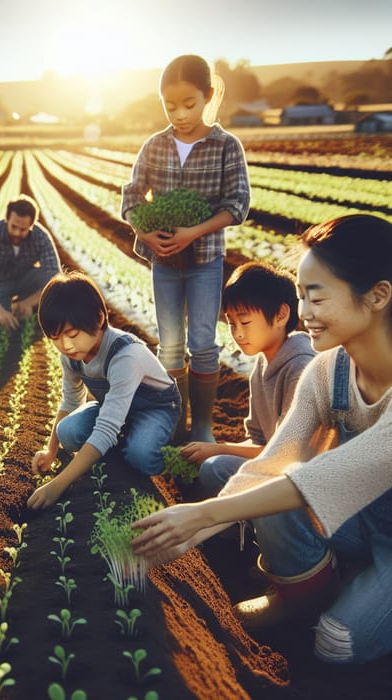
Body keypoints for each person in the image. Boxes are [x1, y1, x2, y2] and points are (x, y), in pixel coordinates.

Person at [131, 214, 392, 664]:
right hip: (357, 520)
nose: (304, 313)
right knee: (269, 482)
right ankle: (309, 588)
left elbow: (319, 479)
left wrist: (201, 515)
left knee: (335, 644)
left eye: (317, 296)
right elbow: (272, 462)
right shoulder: (329, 371)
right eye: (300, 296)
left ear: (377, 295)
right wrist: (192, 531)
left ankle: (358, 586)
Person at [121, 54, 250, 443]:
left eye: (190, 104)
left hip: (205, 260)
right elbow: (131, 195)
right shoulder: (155, 145)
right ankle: (176, 429)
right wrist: (144, 232)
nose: (180, 113)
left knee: (204, 345)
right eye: (170, 105)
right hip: (164, 262)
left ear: (208, 95)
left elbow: (237, 203)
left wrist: (194, 232)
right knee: (171, 346)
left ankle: (205, 429)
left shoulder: (226, 145)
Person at [27, 270, 180, 510]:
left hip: (154, 408)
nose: (65, 345)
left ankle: (168, 452)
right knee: (67, 432)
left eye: (72, 334)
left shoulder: (125, 356)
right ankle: (117, 444)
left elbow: (107, 428)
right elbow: (69, 402)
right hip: (114, 407)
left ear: (99, 319)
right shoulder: (71, 356)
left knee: (140, 455)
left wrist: (59, 484)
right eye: (55, 337)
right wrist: (51, 451)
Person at [182, 261, 315, 495]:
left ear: (281, 315)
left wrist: (217, 450)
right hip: (275, 468)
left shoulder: (301, 369)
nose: (238, 333)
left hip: (302, 478)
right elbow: (258, 440)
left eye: (245, 322)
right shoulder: (263, 364)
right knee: (215, 465)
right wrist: (220, 449)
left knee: (216, 468)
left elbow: (287, 453)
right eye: (232, 323)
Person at [0, 195, 61, 330]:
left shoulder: (41, 236)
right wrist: (1, 313)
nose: (17, 233)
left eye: (23, 229)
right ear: (7, 219)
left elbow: (55, 276)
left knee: (55, 298)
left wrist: (28, 303)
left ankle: (29, 307)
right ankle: (15, 309)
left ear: (31, 225)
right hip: (1, 282)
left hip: (28, 279)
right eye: (13, 227)